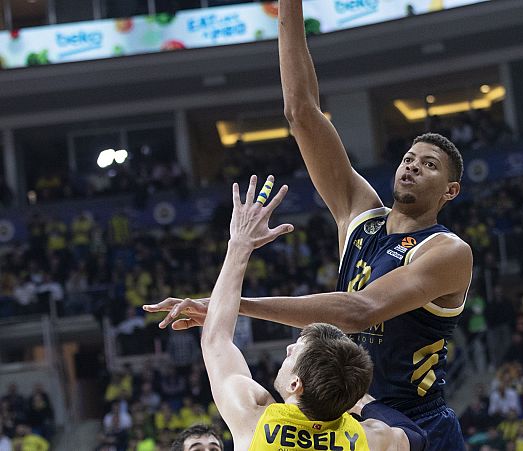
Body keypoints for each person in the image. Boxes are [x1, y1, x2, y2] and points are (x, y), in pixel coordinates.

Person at [147, 0, 472, 444]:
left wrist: (235, 303)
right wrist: (289, 8)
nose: (413, 166)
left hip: (412, 423)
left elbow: (360, 311)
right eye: (409, 157)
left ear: (450, 191)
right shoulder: (360, 215)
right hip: (340, 413)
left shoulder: (447, 251)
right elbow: (301, 112)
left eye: (429, 165)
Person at [195, 176, 426, 450]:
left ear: (295, 383)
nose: (290, 348)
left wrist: (240, 244)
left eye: (296, 351)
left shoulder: (255, 421)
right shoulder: (368, 439)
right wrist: (357, 401)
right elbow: (414, 435)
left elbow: (216, 339)